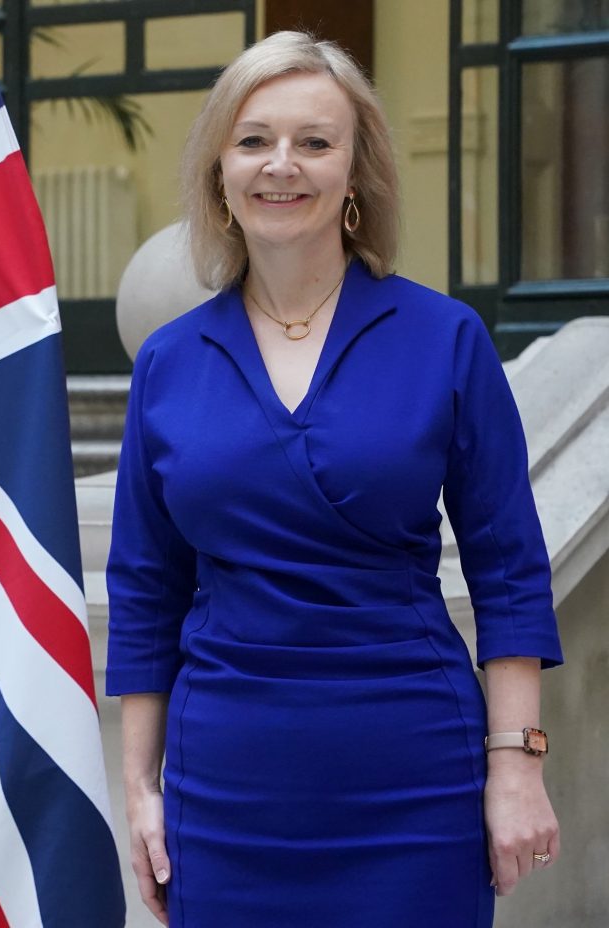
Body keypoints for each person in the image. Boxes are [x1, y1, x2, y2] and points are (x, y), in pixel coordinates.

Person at [106, 31, 563, 928]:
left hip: (414, 778)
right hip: (225, 789)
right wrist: (139, 787)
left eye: (315, 141)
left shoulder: (446, 339)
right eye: (254, 140)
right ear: (220, 172)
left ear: (356, 172)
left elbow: (508, 567)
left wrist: (516, 764)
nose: (282, 164)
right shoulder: (168, 361)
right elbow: (147, 587)